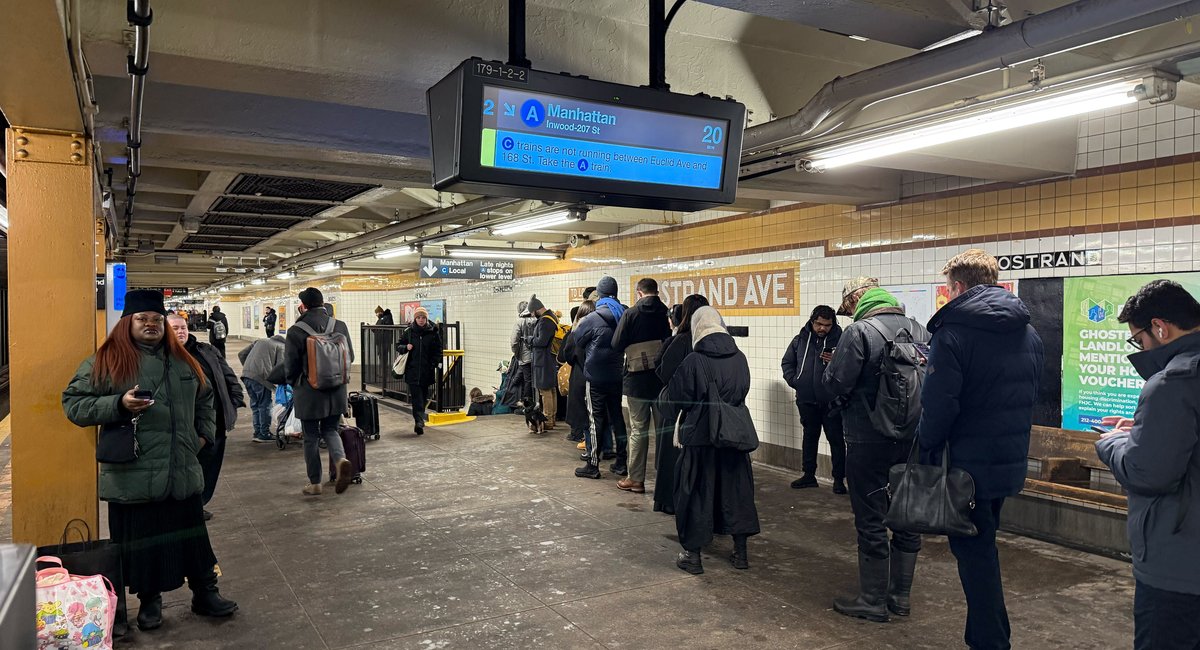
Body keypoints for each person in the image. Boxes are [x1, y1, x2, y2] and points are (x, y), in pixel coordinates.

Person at [62, 290, 237, 633]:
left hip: (181, 469)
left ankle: (205, 593)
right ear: (128, 323)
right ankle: (150, 601)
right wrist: (117, 404)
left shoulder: (184, 360)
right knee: (144, 543)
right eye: (143, 319)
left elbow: (206, 399)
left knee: (193, 538)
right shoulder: (107, 360)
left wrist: (202, 437)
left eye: (157, 320)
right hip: (134, 473)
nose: (151, 325)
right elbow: (74, 403)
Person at [916, 249, 1043, 647]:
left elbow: (939, 405)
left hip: (964, 467)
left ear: (958, 287)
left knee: (975, 557)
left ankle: (990, 641)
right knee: (982, 545)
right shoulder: (1029, 332)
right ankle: (984, 636)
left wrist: (925, 449)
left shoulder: (952, 333)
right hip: (1006, 463)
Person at [1096, 279, 1200, 650]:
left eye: (1138, 341)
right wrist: (1142, 429)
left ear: (1160, 327)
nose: (1140, 349)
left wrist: (1113, 444)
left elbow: (1147, 472)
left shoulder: (1173, 382)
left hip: (1179, 568)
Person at [823, 277, 930, 623]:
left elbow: (835, 383)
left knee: (870, 517)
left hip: (867, 437)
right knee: (907, 514)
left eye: (849, 306)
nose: (849, 313)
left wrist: (832, 371)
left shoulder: (860, 332)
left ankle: (872, 600)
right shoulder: (919, 329)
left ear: (858, 299)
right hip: (913, 438)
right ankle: (900, 597)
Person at [668, 306, 759, 574]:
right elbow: (742, 390)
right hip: (733, 436)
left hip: (700, 438)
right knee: (736, 494)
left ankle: (693, 557)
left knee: (695, 494)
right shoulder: (739, 358)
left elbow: (679, 399)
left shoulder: (694, 361)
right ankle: (740, 554)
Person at [169, 314, 245, 520]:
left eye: (183, 327)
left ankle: (199, 503)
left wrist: (235, 400)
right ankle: (187, 507)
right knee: (187, 468)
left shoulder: (207, 350)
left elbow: (228, 375)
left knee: (210, 467)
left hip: (217, 421)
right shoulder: (164, 356)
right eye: (174, 328)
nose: (181, 331)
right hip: (189, 425)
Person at [284, 288, 355, 496]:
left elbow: (291, 365)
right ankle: (340, 459)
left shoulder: (296, 330)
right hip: (337, 389)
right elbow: (350, 355)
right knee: (331, 429)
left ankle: (315, 483)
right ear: (323, 303)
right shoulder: (339, 325)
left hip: (309, 391)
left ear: (303, 306)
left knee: (311, 436)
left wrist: (293, 383)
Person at [612, 278, 672, 494]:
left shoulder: (631, 314)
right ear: (656, 292)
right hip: (660, 380)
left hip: (636, 381)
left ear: (639, 293)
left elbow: (616, 344)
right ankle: (665, 478)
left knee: (638, 430)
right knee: (664, 431)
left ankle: (636, 479)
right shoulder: (666, 312)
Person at [654, 294, 709, 515]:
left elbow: (663, 369)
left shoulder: (680, 339)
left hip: (677, 410)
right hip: (704, 409)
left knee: (673, 457)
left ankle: (671, 500)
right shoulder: (710, 340)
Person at [782, 305, 846, 493]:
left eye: (826, 325)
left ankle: (839, 480)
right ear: (812, 321)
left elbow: (851, 368)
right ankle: (809, 475)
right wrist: (795, 382)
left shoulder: (842, 341)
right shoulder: (800, 340)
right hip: (806, 399)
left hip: (832, 401)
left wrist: (835, 362)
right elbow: (787, 362)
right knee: (810, 437)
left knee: (836, 440)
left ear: (833, 324)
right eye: (818, 324)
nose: (822, 328)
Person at [571, 276, 628, 479]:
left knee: (595, 419)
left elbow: (577, 338)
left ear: (600, 295)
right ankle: (622, 462)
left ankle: (593, 465)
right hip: (616, 375)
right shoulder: (624, 315)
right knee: (618, 418)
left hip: (595, 376)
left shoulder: (592, 318)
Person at [397, 306, 443, 435]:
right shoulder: (409, 332)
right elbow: (398, 346)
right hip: (412, 370)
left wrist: (433, 363)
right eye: (418, 317)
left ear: (426, 318)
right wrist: (406, 347)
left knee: (423, 396)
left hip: (426, 371)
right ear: (415, 318)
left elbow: (438, 350)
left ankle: (420, 418)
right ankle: (418, 421)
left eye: (423, 317)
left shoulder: (433, 332)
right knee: (416, 397)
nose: (421, 320)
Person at [238, 331, 287, 443]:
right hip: (261, 378)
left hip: (247, 375)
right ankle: (264, 433)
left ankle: (257, 432)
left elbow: (241, 354)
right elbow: (280, 368)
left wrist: (250, 368)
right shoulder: (282, 347)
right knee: (265, 405)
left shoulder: (261, 340)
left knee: (255, 405)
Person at [559, 301, 596, 446]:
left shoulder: (575, 332)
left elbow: (566, 355)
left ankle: (588, 444)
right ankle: (602, 446)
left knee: (583, 413)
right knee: (595, 412)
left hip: (580, 375)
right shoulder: (601, 329)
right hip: (598, 375)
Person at [528, 295, 560, 430]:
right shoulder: (551, 317)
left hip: (544, 360)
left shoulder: (545, 321)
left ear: (536, 310)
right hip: (548, 359)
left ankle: (547, 420)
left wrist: (530, 339)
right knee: (550, 389)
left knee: (545, 390)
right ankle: (551, 418)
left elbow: (541, 341)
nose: (531, 315)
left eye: (531, 312)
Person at [510, 300, 538, 414]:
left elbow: (514, 342)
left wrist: (517, 353)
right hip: (537, 357)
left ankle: (527, 407)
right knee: (535, 381)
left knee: (527, 381)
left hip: (525, 357)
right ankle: (536, 405)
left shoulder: (519, 322)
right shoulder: (537, 320)